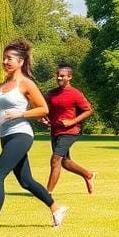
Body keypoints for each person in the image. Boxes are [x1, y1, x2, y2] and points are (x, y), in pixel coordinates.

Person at [0, 40, 68, 237]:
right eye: (4, 58)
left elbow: (44, 109)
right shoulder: (1, 85)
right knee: (26, 181)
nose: (5, 62)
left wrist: (22, 113)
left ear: (21, 61)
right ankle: (57, 208)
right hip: (6, 137)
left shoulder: (26, 83)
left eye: (10, 59)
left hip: (21, 135)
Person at [43, 64, 96, 194]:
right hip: (55, 131)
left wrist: (72, 121)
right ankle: (88, 174)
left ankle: (47, 193)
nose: (59, 78)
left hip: (70, 132)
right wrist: (45, 118)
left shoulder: (75, 93)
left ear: (69, 77)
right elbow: (48, 110)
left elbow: (89, 110)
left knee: (55, 160)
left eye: (62, 75)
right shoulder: (51, 94)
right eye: (58, 75)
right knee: (65, 162)